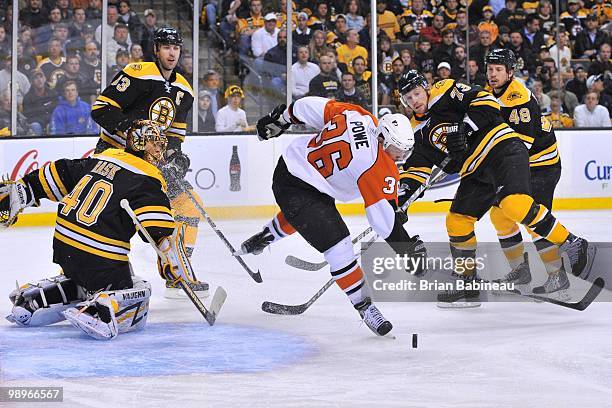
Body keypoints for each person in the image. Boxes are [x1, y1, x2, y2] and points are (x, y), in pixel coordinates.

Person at [398, 70, 596, 306]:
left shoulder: (445, 91)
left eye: (417, 93)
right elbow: (416, 170)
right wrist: (400, 201)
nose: (415, 101)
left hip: (501, 149)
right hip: (475, 171)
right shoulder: (417, 131)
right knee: (457, 220)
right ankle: (467, 284)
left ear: (426, 87)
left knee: (513, 204)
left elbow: (487, 101)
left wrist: (465, 129)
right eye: (408, 98)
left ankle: (572, 242)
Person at [1, 121, 206, 340]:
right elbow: (160, 231)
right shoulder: (148, 179)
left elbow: (56, 172)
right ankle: (101, 311)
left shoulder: (102, 159)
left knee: (91, 280)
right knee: (138, 288)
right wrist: (172, 263)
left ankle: (33, 302)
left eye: (160, 143)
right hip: (99, 257)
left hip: (64, 249)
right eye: (153, 143)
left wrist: (23, 191)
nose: (159, 149)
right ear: (138, 143)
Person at [241, 97, 426, 336]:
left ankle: (265, 237)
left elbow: (307, 107)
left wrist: (282, 119)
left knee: (309, 215)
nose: (401, 156)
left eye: (404, 150)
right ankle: (364, 306)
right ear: (383, 139)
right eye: (396, 149)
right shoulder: (378, 165)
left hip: (290, 167)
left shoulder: (359, 116)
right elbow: (383, 222)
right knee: (339, 247)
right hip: (301, 188)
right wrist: (407, 249)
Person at [91, 27, 207, 299]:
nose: (172, 52)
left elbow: (175, 136)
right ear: (156, 49)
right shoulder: (137, 73)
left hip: (148, 165)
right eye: (166, 47)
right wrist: (133, 130)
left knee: (187, 205)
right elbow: (101, 110)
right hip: (116, 156)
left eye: (176, 47)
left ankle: (177, 271)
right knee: (114, 220)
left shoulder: (184, 89)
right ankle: (97, 270)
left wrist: (176, 159)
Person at [485, 49, 567, 294]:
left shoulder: (519, 98)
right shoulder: (489, 92)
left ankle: (557, 275)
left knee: (533, 220)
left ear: (510, 72)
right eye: (490, 69)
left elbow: (520, 148)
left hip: (541, 165)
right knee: (500, 216)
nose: (493, 74)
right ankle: (520, 271)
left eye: (499, 69)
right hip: (521, 163)